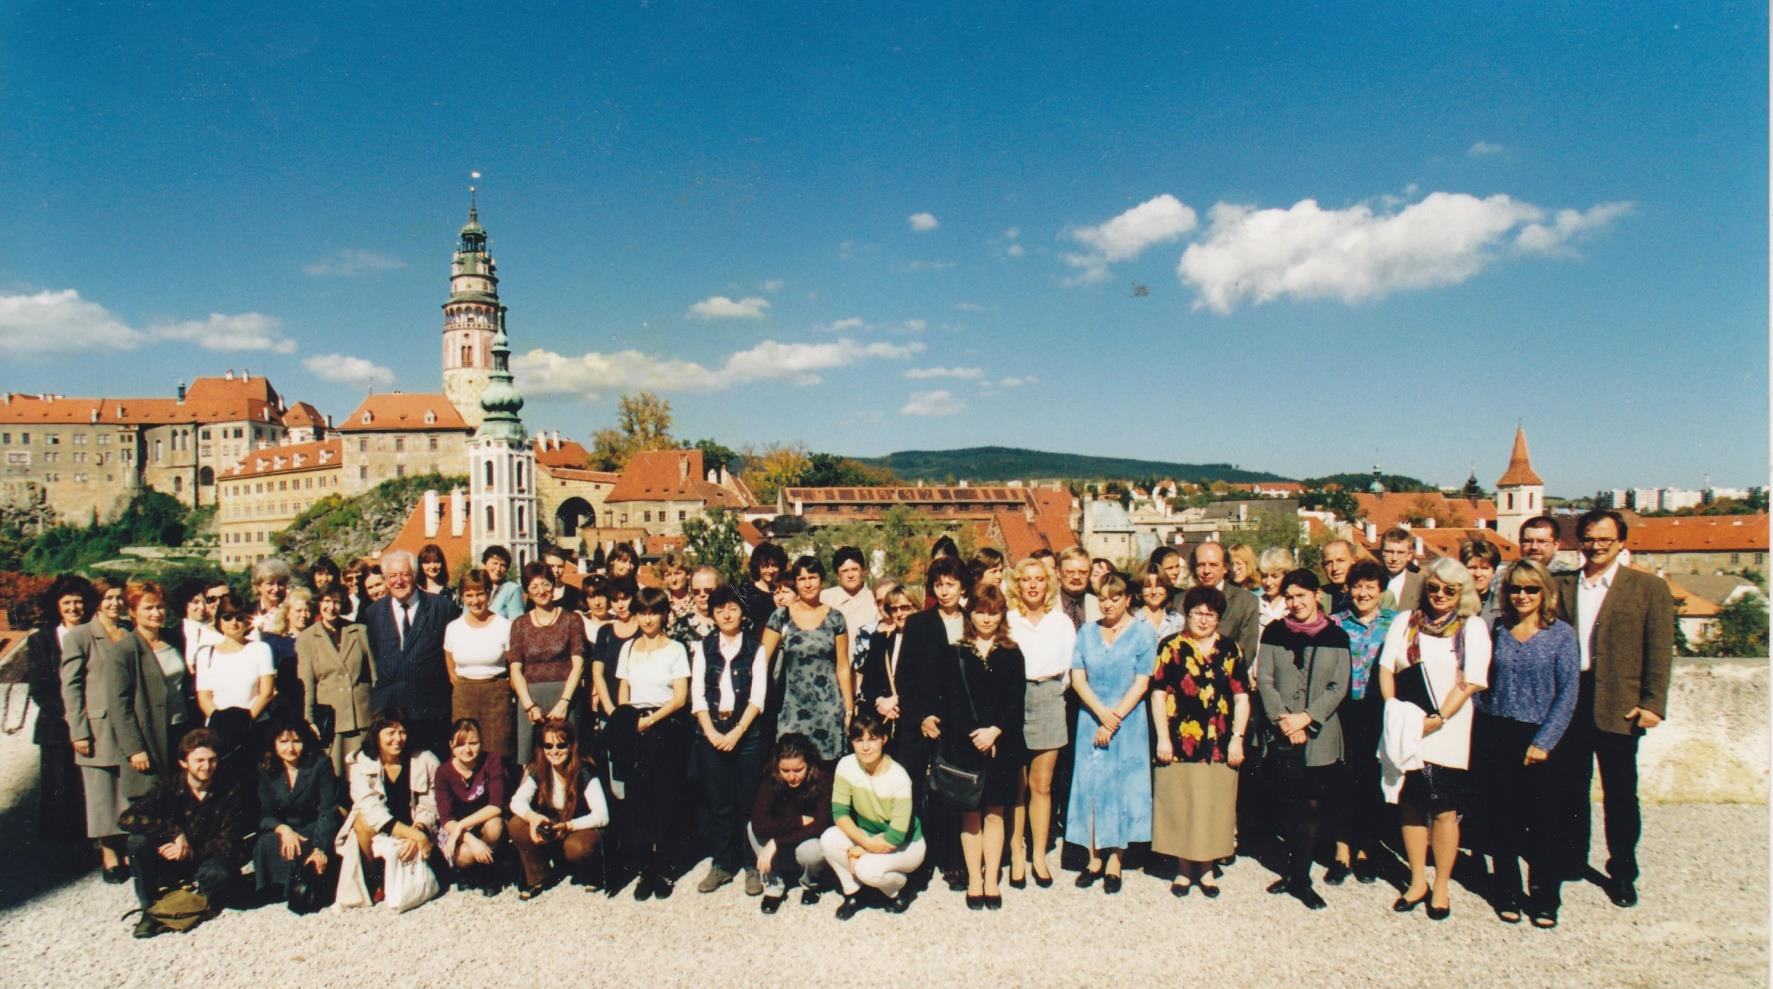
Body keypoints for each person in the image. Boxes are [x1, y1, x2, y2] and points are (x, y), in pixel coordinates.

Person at [1553, 509, 1674, 909]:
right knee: (1570, 786)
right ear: (1579, 542)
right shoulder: (1562, 585)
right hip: (1571, 697)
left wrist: (1653, 703)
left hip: (1619, 703)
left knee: (1620, 792)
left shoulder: (1647, 588)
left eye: (1605, 539)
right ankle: (1571, 858)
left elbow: (1659, 651)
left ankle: (1622, 870)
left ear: (1621, 542)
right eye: (1589, 538)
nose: (1596, 545)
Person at [1378, 556, 1491, 920]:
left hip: (1448, 729)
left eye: (1449, 589)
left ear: (1462, 592)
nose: (1440, 594)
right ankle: (1416, 880)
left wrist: (1439, 717)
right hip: (1407, 727)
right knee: (1411, 804)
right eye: (1433, 587)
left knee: (1444, 810)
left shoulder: (1471, 627)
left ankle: (1441, 883)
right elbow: (1385, 667)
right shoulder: (1405, 622)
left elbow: (1471, 680)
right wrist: (1395, 710)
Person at [1476, 560, 1580, 927]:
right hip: (1499, 733)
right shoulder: (1497, 630)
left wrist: (1545, 741)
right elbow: (1480, 680)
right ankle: (1506, 890)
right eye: (1516, 588)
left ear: (1544, 593)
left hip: (1540, 737)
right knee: (1502, 819)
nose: (1522, 595)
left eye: (1530, 589)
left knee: (1543, 823)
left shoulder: (1562, 635)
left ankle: (1545, 896)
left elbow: (1568, 693)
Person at [923, 584, 1025, 909]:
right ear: (972, 614)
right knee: (970, 813)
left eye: (992, 612)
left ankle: (992, 878)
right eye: (980, 611)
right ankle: (975, 878)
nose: (986, 618)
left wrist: (994, 731)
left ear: (1001, 615)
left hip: (1001, 744)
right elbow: (949, 701)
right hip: (965, 745)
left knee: (995, 812)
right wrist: (975, 735)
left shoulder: (1012, 653)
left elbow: (1016, 701)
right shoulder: (957, 652)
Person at [1258, 569, 1351, 910]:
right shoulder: (1274, 632)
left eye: (1302, 596)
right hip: (1283, 731)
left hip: (1319, 735)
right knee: (1287, 803)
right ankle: (1291, 871)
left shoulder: (1336, 636)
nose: (1296, 603)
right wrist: (1284, 720)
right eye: (1290, 597)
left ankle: (1302, 879)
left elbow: (1338, 686)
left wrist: (1306, 718)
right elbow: (1265, 679)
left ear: (1316, 596)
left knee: (1311, 805)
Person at [1150, 585, 1249, 897]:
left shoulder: (1230, 649)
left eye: (1210, 614)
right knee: (1181, 801)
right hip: (1179, 740)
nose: (1203, 620)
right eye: (1197, 613)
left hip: (1218, 741)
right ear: (1186, 615)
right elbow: (1157, 694)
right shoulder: (1171, 647)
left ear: (1219, 618)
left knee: (1214, 804)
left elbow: (1242, 697)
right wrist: (1163, 737)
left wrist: (1237, 739)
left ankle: (1206, 868)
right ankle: (1182, 869)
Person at [1066, 571, 1153, 894]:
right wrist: (1101, 715)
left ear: (1128, 598)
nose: (1108, 603)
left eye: (1115, 597)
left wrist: (1113, 719)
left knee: (1121, 787)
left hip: (1128, 722)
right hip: (1091, 717)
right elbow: (1078, 678)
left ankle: (1116, 859)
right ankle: (1093, 858)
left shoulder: (1142, 633)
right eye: (1102, 598)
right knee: (1091, 786)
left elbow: (1142, 681)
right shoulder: (1088, 632)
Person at [116, 728, 248, 938]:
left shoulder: (230, 790)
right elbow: (127, 818)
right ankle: (149, 905)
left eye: (212, 760)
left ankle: (187, 906)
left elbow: (230, 840)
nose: (207, 766)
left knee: (220, 874)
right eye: (199, 761)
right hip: (171, 859)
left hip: (206, 858)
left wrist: (189, 850)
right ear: (184, 763)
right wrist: (175, 834)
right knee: (137, 842)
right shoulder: (170, 786)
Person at [608, 587, 692, 899]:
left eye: (653, 612)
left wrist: (649, 721)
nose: (647, 619)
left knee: (665, 800)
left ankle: (665, 867)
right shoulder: (629, 648)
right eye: (642, 612)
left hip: (665, 726)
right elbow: (623, 690)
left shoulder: (675, 649)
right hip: (634, 727)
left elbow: (680, 697)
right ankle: (645, 867)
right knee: (637, 801)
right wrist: (631, 721)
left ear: (663, 615)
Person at [689, 586, 771, 894]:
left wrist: (736, 733)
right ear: (712, 614)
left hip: (747, 734)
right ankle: (722, 863)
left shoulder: (755, 649)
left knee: (748, 802)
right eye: (720, 609)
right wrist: (711, 732)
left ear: (743, 613)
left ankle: (751, 864)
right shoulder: (703, 648)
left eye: (733, 608)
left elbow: (758, 698)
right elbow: (697, 696)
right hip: (711, 730)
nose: (726, 614)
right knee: (719, 803)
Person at [895, 553, 969, 889]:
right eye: (938, 585)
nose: (944, 591)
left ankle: (952, 858)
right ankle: (917, 859)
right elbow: (905, 678)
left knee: (952, 793)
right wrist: (922, 716)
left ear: (962, 586)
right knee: (915, 791)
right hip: (921, 721)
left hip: (960, 724)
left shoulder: (973, 622)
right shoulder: (918, 624)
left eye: (950, 584)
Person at [1005, 556, 1075, 889]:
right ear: (1017, 585)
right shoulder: (1009, 620)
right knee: (1017, 785)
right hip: (1016, 699)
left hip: (1049, 697)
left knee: (1042, 786)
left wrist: (1048, 692)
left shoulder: (1061, 622)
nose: (1033, 585)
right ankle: (1016, 851)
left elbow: (1067, 673)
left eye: (1039, 579)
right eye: (1026, 579)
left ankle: (1039, 854)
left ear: (1048, 584)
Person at [1326, 560, 1396, 885]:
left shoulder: (1395, 624)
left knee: (1371, 780)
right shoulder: (1335, 623)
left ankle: (1367, 849)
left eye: (1370, 586)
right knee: (1341, 780)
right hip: (1343, 711)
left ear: (1381, 590)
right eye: (1357, 586)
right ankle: (1342, 851)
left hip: (1378, 711)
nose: (1363, 592)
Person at [60, 577, 131, 878]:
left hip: (128, 724)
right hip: (98, 727)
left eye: (119, 597)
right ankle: (110, 854)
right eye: (109, 598)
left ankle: (130, 849)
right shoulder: (80, 635)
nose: (115, 603)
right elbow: (71, 687)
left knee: (127, 790)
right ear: (98, 602)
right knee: (101, 791)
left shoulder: (128, 631)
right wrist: (78, 730)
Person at [822, 709, 923, 918]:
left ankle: (898, 890)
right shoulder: (846, 765)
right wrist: (864, 845)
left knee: (867, 869)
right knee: (829, 839)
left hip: (905, 843)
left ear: (884, 739)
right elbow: (839, 813)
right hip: (869, 836)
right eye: (859, 740)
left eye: (873, 739)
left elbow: (895, 836)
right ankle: (854, 892)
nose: (866, 747)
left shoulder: (899, 777)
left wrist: (859, 851)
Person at [335, 708, 440, 908]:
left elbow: (431, 803)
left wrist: (419, 830)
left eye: (402, 732)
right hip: (381, 828)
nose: (398, 739)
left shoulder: (424, 760)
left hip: (415, 825)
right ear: (377, 736)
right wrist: (415, 836)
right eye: (390, 733)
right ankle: (376, 878)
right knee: (361, 821)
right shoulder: (361, 764)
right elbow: (372, 811)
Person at [362, 549, 457, 756]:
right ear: (386, 580)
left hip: (430, 710)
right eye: (392, 576)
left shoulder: (441, 607)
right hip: (391, 712)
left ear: (414, 575)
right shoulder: (374, 613)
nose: (399, 581)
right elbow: (377, 655)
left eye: (404, 574)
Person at [761, 556, 853, 762]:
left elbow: (843, 666)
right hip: (791, 707)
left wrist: (848, 709)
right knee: (791, 766)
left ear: (822, 580)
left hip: (828, 707)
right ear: (796, 582)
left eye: (813, 577)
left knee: (826, 770)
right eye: (802, 579)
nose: (808, 583)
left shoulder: (835, 618)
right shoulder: (781, 616)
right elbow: (761, 663)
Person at [508, 719, 608, 899]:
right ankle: (538, 875)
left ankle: (594, 872)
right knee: (516, 824)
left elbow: (602, 815)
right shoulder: (539, 768)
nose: (554, 751)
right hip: (554, 824)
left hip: (579, 825)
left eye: (561, 745)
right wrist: (533, 818)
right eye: (548, 745)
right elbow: (516, 801)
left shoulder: (585, 770)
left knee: (577, 848)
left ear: (571, 746)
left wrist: (569, 826)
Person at [25, 574, 92, 844]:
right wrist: (68, 714)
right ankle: (61, 849)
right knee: (60, 788)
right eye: (67, 603)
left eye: (78, 602)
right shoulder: (42, 641)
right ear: (57, 605)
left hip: (91, 721)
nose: (74, 608)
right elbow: (39, 688)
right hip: (57, 726)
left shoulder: (94, 635)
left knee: (86, 786)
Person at [509, 561, 592, 763]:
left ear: (553, 586)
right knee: (530, 764)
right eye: (534, 586)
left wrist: (564, 703)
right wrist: (529, 706)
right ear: (527, 590)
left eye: (545, 584)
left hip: (566, 698)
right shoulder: (520, 624)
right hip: (531, 700)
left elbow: (578, 665)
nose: (541, 590)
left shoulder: (571, 620)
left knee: (570, 760)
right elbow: (515, 669)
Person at [253, 718, 340, 908]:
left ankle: (300, 888)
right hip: (286, 829)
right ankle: (276, 888)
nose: (290, 748)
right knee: (266, 843)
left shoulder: (320, 763)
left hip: (314, 827)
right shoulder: (266, 768)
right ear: (274, 744)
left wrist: (320, 848)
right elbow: (264, 813)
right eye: (283, 742)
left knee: (308, 851)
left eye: (296, 741)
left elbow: (328, 811)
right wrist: (283, 829)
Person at [296, 585, 377, 774]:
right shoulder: (307, 638)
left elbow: (374, 674)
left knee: (364, 773)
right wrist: (309, 720)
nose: (331, 607)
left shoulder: (359, 631)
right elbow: (307, 683)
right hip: (332, 721)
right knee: (334, 774)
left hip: (362, 717)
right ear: (319, 604)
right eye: (326, 601)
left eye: (336, 602)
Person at [750, 733, 833, 912]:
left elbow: (820, 826)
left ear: (809, 764)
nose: (791, 777)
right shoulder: (771, 779)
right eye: (785, 770)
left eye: (798, 770)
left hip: (803, 841)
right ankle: (773, 885)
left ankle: (811, 884)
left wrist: (776, 841)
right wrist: (797, 821)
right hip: (787, 835)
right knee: (751, 829)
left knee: (813, 849)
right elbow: (758, 823)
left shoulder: (824, 780)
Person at [443, 570, 518, 761]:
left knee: (498, 755)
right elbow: (451, 669)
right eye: (469, 595)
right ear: (462, 596)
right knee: (465, 752)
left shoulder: (504, 626)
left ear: (489, 594)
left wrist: (501, 689)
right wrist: (465, 686)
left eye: (480, 594)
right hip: (464, 697)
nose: (475, 601)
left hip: (497, 698)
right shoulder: (453, 628)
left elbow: (514, 666)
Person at [195, 594, 277, 761]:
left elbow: (266, 692)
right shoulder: (205, 653)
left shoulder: (260, 649)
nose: (234, 622)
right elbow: (204, 697)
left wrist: (242, 723)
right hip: (218, 733)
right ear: (219, 620)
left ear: (247, 621)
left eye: (239, 617)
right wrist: (224, 725)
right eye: (227, 617)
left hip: (253, 728)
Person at [434, 717, 509, 895]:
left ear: (481, 742)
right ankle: (467, 873)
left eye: (473, 743)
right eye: (461, 744)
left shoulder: (491, 760)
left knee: (495, 826)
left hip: (482, 821)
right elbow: (446, 818)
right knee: (466, 854)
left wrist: (462, 825)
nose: (467, 749)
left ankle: (489, 872)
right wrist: (469, 838)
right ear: (451, 745)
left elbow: (496, 805)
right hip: (457, 830)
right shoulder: (443, 772)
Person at [856, 584, 916, 734]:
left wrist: (896, 700)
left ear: (915, 607)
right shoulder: (880, 639)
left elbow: (927, 682)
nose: (899, 613)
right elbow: (868, 683)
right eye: (894, 609)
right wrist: (880, 701)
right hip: (886, 719)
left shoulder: (927, 640)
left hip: (914, 720)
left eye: (904, 608)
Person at [1194, 542, 1260, 664]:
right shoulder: (1179, 601)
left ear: (1225, 568)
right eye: (1201, 565)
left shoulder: (1246, 602)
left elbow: (1247, 650)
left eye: (1213, 565)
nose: (1206, 570)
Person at [588, 577, 641, 723]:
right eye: (615, 600)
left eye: (624, 599)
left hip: (639, 708)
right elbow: (598, 673)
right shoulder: (605, 631)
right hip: (609, 708)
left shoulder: (644, 630)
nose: (620, 605)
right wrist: (610, 709)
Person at [821, 546, 880, 644]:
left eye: (854, 569)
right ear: (837, 576)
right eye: (845, 571)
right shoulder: (825, 598)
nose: (850, 575)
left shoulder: (875, 600)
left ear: (863, 572)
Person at [738, 542, 789, 632]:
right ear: (757, 566)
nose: (770, 570)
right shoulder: (745, 592)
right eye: (765, 566)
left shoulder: (784, 591)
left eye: (774, 565)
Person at [669, 565, 721, 647]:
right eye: (696, 591)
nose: (702, 594)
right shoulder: (681, 627)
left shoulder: (731, 622)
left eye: (708, 590)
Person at [1133, 565, 1185, 640]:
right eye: (1147, 586)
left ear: (1166, 589)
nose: (1154, 591)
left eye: (1159, 586)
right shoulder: (1131, 619)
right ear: (1140, 591)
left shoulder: (1177, 620)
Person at [1461, 538, 1504, 627]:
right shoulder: (1451, 605)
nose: (1478, 574)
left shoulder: (1502, 608)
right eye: (1472, 567)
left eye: (1485, 568)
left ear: (1494, 572)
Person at [1379, 528, 1424, 613]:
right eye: (1389, 552)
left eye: (1400, 552)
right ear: (1381, 552)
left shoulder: (1421, 584)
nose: (1394, 558)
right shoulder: (1369, 580)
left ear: (1409, 555)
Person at [1055, 547, 1100, 628]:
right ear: (1058, 572)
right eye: (1070, 572)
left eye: (1082, 572)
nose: (1076, 577)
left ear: (1090, 573)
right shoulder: (1046, 605)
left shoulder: (1099, 606)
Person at [481, 545, 527, 620]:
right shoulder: (475, 586)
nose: (498, 569)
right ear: (485, 563)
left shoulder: (512, 590)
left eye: (503, 565)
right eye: (495, 563)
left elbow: (517, 623)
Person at [249, 558, 292, 636]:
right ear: (258, 586)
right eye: (270, 584)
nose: (276, 589)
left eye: (280, 583)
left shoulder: (291, 610)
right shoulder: (249, 611)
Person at [1318, 538, 1358, 616]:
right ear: (1323, 566)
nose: (1335, 568)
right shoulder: (1318, 598)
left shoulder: (1375, 595)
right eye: (1329, 563)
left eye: (1340, 560)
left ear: (1354, 561)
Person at [544, 547, 588, 613]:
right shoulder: (536, 593)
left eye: (560, 566)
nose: (556, 570)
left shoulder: (574, 593)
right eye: (551, 566)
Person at [660, 553, 695, 622]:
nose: (673, 579)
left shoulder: (697, 597)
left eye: (677, 573)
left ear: (688, 574)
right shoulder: (660, 600)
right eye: (668, 575)